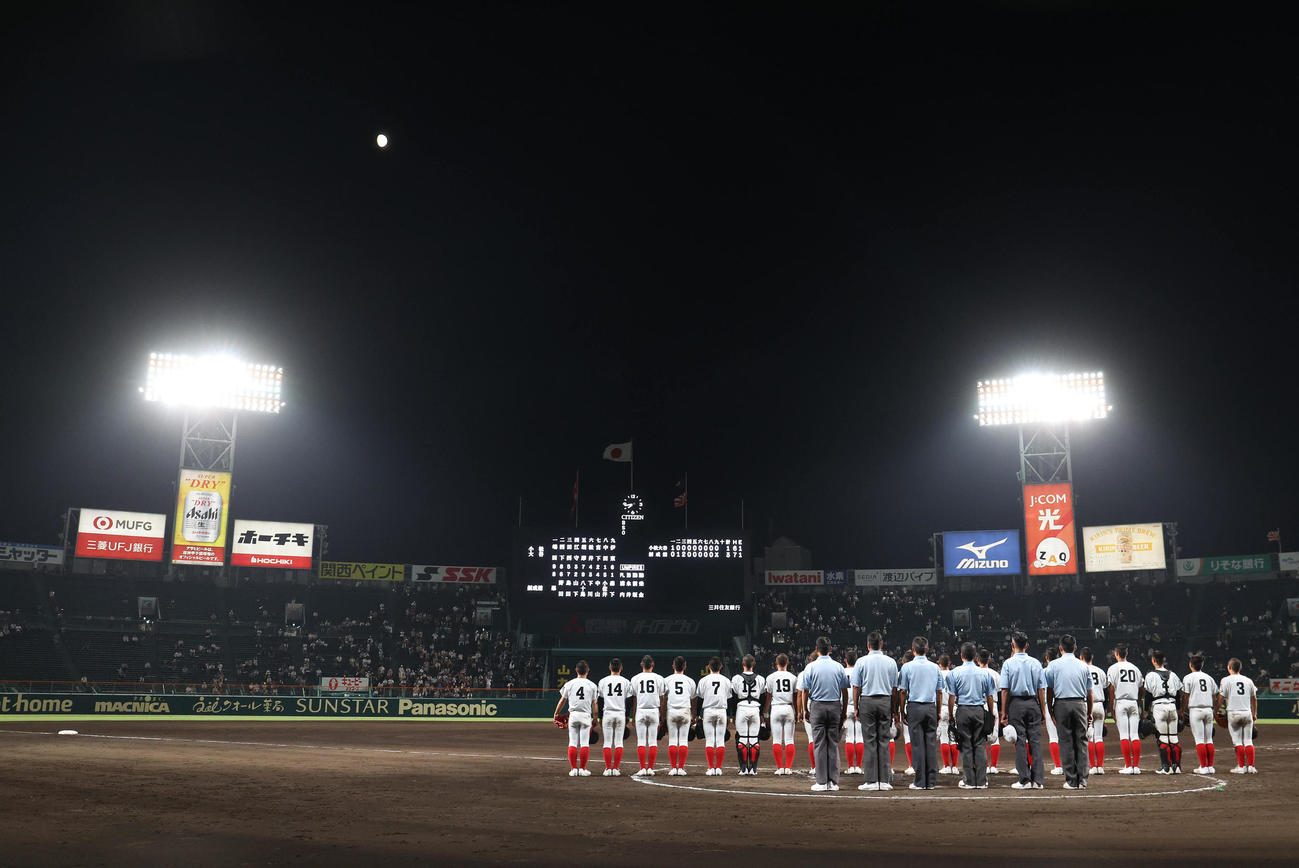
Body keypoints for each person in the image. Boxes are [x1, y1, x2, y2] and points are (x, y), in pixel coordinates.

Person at [852, 630, 899, 791]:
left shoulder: (861, 662)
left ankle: (872, 781)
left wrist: (856, 707)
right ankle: (884, 780)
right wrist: (894, 709)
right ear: (881, 644)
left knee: (870, 741)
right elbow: (895, 689)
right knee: (884, 740)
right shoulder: (891, 662)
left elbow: (856, 687)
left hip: (867, 701)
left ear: (868, 645)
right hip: (885, 700)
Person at [999, 632, 1047, 790]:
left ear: (1012, 645)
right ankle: (1038, 780)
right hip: (1033, 702)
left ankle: (1024, 779)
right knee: (1035, 742)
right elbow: (1041, 689)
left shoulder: (1008, 663)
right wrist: (1042, 709)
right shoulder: (1035, 663)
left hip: (1016, 703)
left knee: (1020, 741)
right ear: (1027, 645)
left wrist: (1004, 711)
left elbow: (1005, 690)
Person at [1044, 634, 1092, 790]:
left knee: (1066, 742)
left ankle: (1071, 780)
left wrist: (1050, 708)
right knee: (1082, 741)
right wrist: (1089, 712)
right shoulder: (1084, 666)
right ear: (1075, 648)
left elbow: (1049, 690)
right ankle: (1082, 780)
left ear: (1060, 648)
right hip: (1080, 703)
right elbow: (1089, 693)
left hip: (1061, 704)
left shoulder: (1053, 665)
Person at [801, 636, 849, 792]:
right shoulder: (838, 667)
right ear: (830, 649)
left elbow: (804, 691)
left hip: (817, 706)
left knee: (820, 744)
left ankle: (821, 782)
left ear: (816, 649)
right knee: (833, 744)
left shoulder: (810, 667)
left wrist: (805, 709)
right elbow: (844, 691)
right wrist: (843, 711)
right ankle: (833, 782)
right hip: (835, 705)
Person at [946, 642, 995, 789]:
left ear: (961, 656)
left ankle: (968, 780)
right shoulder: (985, 673)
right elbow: (990, 696)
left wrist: (951, 715)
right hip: (979, 710)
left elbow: (951, 697)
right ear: (975, 656)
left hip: (963, 710)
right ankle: (981, 781)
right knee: (980, 745)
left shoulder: (954, 673)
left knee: (966, 746)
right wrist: (990, 715)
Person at [898, 636, 943, 790]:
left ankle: (919, 781)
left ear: (913, 650)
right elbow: (939, 693)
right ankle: (931, 781)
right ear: (927, 650)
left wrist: (902, 711)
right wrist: (937, 712)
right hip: (930, 706)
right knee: (930, 745)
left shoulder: (907, 667)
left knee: (917, 745)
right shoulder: (935, 667)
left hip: (915, 707)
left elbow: (903, 691)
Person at [553, 660, 597, 777]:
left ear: (576, 671)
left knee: (572, 742)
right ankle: (582, 769)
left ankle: (573, 769)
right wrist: (596, 717)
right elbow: (595, 703)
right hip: (586, 716)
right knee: (584, 744)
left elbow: (562, 700)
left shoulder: (570, 684)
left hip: (573, 715)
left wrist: (556, 713)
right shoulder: (592, 685)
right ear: (587, 671)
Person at [1144, 650, 1183, 774]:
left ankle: (1166, 767)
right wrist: (1179, 709)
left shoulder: (1150, 675)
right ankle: (1177, 767)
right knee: (1174, 738)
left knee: (1163, 738)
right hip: (1172, 706)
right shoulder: (1173, 674)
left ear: (1153, 660)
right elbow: (1178, 695)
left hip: (1159, 706)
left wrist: (1145, 711)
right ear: (1164, 660)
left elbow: (1148, 695)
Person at [1107, 643, 1143, 774]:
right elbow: (1141, 687)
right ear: (1126, 654)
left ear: (1116, 654)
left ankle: (1128, 766)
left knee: (1124, 735)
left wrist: (1111, 708)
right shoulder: (1135, 668)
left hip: (1121, 702)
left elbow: (1111, 689)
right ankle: (1136, 766)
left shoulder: (1113, 668)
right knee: (1134, 735)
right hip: (1133, 702)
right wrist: (1138, 702)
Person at [1218, 657, 1258, 774]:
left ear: (1229, 668)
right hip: (1247, 713)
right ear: (1240, 668)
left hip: (1234, 713)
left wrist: (1215, 711)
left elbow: (1220, 698)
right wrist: (1254, 713)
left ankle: (1241, 767)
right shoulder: (1248, 680)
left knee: (1238, 742)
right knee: (1248, 741)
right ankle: (1251, 766)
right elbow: (1254, 699)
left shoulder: (1226, 680)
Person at [628, 655, 666, 776]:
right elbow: (662, 697)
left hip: (641, 710)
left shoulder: (635, 678)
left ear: (641, 665)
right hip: (654, 710)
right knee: (653, 741)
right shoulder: (659, 678)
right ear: (652, 665)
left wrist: (633, 716)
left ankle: (642, 768)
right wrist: (661, 713)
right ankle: (650, 768)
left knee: (641, 741)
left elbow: (633, 699)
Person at [731, 654, 766, 775]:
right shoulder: (761, 679)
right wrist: (762, 713)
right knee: (754, 740)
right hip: (755, 708)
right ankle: (753, 769)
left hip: (741, 707)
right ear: (754, 665)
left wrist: (732, 713)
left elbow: (733, 697)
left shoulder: (736, 678)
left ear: (742, 664)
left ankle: (743, 768)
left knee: (742, 739)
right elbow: (763, 697)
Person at [1182, 654, 1218, 774]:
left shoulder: (1188, 677)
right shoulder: (1209, 678)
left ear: (1190, 665)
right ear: (1202, 665)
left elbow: (1185, 696)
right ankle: (1210, 767)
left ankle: (1203, 766)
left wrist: (1182, 709)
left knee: (1199, 740)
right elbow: (1214, 695)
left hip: (1196, 710)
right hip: (1208, 709)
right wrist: (1213, 708)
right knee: (1209, 740)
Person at [697, 657, 732, 775]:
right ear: (721, 667)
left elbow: (699, 699)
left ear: (709, 667)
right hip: (722, 711)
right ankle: (719, 768)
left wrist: (698, 715)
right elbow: (730, 699)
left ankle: (711, 768)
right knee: (720, 741)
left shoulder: (704, 680)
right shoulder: (726, 680)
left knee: (710, 741)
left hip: (708, 711)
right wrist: (729, 714)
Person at [663, 656, 697, 776]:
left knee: (672, 740)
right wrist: (694, 714)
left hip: (672, 711)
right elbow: (693, 699)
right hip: (685, 711)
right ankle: (681, 768)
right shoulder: (690, 680)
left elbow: (663, 698)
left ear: (673, 666)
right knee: (683, 741)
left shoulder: (666, 680)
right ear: (685, 667)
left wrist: (662, 716)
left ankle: (673, 768)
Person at [597, 657, 630, 776]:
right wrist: (627, 715)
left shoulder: (603, 681)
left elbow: (600, 701)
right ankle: (615, 769)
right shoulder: (626, 681)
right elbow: (629, 700)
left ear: (610, 668)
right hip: (620, 713)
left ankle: (607, 769)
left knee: (607, 743)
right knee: (618, 742)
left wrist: (600, 716)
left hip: (607, 714)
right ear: (621, 668)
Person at [765, 654, 798, 775]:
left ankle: (780, 768)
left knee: (777, 740)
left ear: (776, 663)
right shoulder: (793, 677)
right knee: (789, 740)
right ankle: (788, 768)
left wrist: (765, 713)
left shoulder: (770, 677)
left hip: (776, 708)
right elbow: (795, 697)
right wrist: (797, 711)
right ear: (787, 663)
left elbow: (768, 697)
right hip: (789, 708)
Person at [1080, 647, 1108, 775]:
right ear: (1092, 657)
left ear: (1081, 657)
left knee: (1089, 738)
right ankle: (1100, 766)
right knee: (1099, 737)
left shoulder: (1080, 670)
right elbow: (1106, 691)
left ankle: (1092, 766)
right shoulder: (1100, 671)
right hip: (1100, 704)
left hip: (1087, 705)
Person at [977, 649, 1002, 774]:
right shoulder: (995, 674)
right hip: (994, 705)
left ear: (978, 660)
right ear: (989, 660)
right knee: (995, 738)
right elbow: (1000, 691)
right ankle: (993, 766)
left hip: (980, 706)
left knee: (982, 738)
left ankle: (985, 766)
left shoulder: (976, 673)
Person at [1042, 647, 1064, 775]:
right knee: (1066, 737)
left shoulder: (1043, 671)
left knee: (1053, 737)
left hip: (1048, 704)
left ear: (1046, 658)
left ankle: (1058, 766)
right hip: (1062, 702)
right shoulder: (1062, 670)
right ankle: (1069, 765)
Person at [842, 650, 864, 775]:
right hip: (859, 706)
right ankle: (859, 767)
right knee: (860, 738)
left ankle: (851, 766)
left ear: (845, 660)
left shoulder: (842, 672)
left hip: (846, 707)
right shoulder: (860, 671)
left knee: (850, 738)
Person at [795, 652, 818, 773]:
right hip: (826, 705)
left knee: (812, 739)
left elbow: (800, 694)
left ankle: (814, 767)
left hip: (809, 705)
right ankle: (825, 765)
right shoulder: (826, 670)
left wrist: (800, 711)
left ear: (810, 660)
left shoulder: (803, 673)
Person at [936, 653, 957, 775]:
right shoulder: (954, 674)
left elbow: (937, 693)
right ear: (949, 663)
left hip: (942, 707)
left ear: (939, 663)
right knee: (954, 738)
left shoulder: (937, 674)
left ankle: (946, 766)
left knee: (944, 737)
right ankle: (954, 767)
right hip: (954, 706)